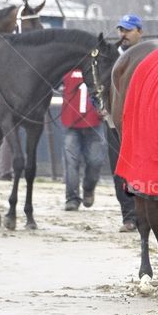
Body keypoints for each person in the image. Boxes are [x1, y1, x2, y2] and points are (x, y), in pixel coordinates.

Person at [108, 13, 143, 231]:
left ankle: (144, 213)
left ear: (140, 32)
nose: (123, 34)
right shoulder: (110, 56)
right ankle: (128, 216)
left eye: (128, 30)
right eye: (121, 30)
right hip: (113, 122)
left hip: (140, 123)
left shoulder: (149, 55)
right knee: (119, 168)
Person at [61, 68, 106, 211]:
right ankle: (72, 198)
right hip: (71, 124)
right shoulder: (66, 67)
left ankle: (88, 187)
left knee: (96, 161)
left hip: (94, 123)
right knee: (71, 162)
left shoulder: (97, 69)